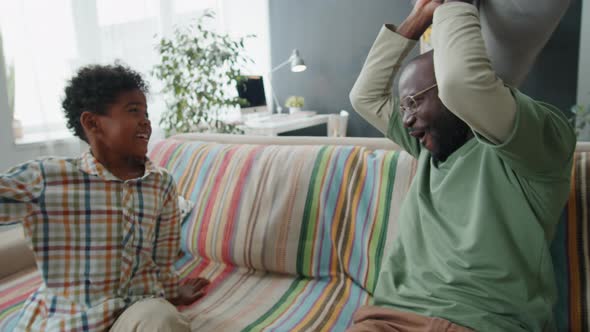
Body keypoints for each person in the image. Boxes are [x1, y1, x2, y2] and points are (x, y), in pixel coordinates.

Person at [348, 0, 576, 331]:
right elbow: (365, 97)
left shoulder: (539, 146)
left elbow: (463, 85)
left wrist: (455, 4)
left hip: (485, 323)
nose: (406, 118)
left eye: (413, 101)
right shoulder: (429, 146)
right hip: (391, 319)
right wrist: (420, 15)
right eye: (402, 107)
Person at [0, 64, 209, 331]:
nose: (146, 120)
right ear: (92, 123)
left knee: (163, 320)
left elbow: (162, 257)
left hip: (135, 308)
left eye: (146, 112)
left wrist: (173, 291)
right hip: (68, 318)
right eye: (133, 111)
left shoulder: (161, 183)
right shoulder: (47, 178)